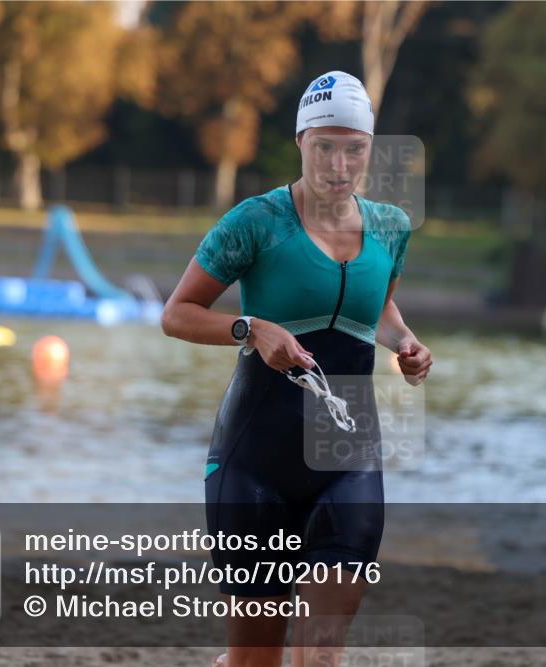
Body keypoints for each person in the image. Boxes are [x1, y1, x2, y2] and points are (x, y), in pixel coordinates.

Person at [161, 71, 432, 667]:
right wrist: (251, 329)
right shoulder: (256, 222)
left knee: (322, 651)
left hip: (348, 462)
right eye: (325, 147)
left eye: (354, 148)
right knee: (256, 660)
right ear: (301, 142)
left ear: (370, 148)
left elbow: (376, 306)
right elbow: (177, 314)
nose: (339, 164)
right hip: (255, 463)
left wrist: (406, 343)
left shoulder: (389, 226)